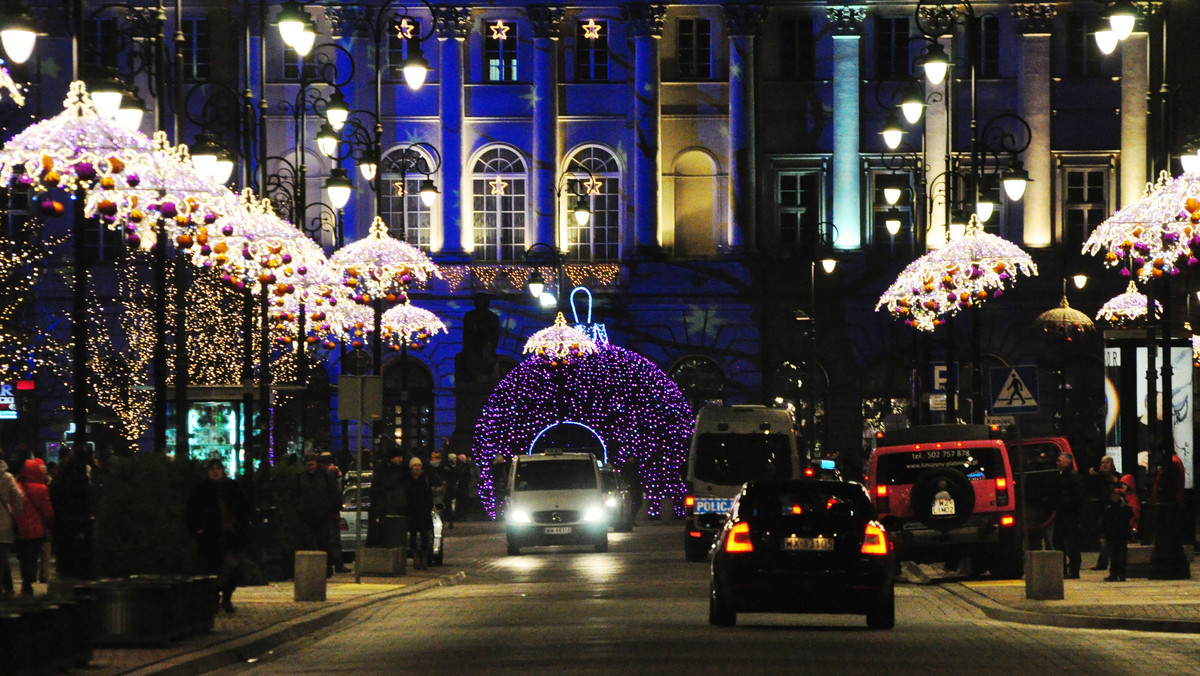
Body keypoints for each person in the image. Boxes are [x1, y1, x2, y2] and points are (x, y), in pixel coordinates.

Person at [185, 460, 250, 613]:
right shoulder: (200, 490)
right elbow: (191, 512)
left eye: (218, 469)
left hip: (231, 534)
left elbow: (244, 508)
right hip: (211, 535)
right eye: (212, 469)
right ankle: (214, 599)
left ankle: (226, 598)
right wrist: (198, 529)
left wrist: (240, 526)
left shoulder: (232, 487)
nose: (215, 472)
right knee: (212, 568)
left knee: (232, 568)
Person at [50, 444, 95, 580]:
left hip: (63, 519)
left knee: (64, 551)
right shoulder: (84, 478)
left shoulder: (60, 479)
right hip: (77, 518)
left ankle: (64, 573)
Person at [296, 453, 341, 576]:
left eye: (312, 464)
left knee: (324, 544)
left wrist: (330, 510)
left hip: (322, 516)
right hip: (307, 515)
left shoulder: (325, 477)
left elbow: (334, 494)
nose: (310, 467)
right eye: (308, 465)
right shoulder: (302, 477)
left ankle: (326, 570)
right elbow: (297, 494)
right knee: (308, 544)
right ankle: (312, 570)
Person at [14, 459, 53, 596]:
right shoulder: (42, 488)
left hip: (19, 528)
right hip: (36, 529)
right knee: (33, 556)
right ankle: (29, 582)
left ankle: (26, 581)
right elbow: (47, 510)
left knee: (23, 557)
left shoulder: (17, 485)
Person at [1052, 451, 1085, 579]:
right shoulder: (1061, 476)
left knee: (1072, 543)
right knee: (1058, 541)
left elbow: (1078, 495)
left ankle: (1074, 569)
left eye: (1060, 460)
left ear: (1067, 462)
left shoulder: (1073, 476)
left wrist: (1067, 503)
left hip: (1071, 515)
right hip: (1062, 513)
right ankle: (1064, 569)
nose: (1058, 463)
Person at [317, 452, 348, 573]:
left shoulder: (330, 475)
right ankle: (335, 564)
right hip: (329, 513)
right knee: (332, 541)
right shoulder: (326, 476)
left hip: (331, 513)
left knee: (333, 540)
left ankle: (335, 564)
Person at [368, 451, 407, 547]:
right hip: (384, 506)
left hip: (387, 505)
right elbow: (387, 486)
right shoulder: (388, 471)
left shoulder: (392, 470)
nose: (400, 460)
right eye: (398, 457)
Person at [1088, 455, 1120, 570]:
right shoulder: (1100, 478)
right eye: (1103, 463)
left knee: (1109, 538)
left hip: (1113, 510)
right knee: (1104, 537)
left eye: (1107, 462)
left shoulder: (1115, 477)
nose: (1105, 465)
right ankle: (1104, 562)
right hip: (1104, 510)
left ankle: (1106, 563)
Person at [1101, 479, 1136, 582]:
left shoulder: (1122, 507)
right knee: (1114, 555)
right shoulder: (1110, 507)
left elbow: (1130, 515)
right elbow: (1105, 520)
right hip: (1113, 534)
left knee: (1120, 554)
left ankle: (1121, 573)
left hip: (1120, 534)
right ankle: (1115, 573)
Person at [0, 457, 25, 597]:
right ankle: (7, 587)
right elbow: (19, 496)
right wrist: (14, 513)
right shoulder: (7, 477)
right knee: (2, 556)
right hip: (3, 521)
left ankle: (7, 587)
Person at [403, 457, 434, 570]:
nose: (417, 468)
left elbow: (429, 495)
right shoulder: (407, 480)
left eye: (419, 466)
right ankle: (416, 558)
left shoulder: (425, 480)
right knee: (413, 536)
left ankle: (424, 558)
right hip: (412, 512)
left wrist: (429, 506)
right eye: (414, 466)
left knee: (424, 536)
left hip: (423, 512)